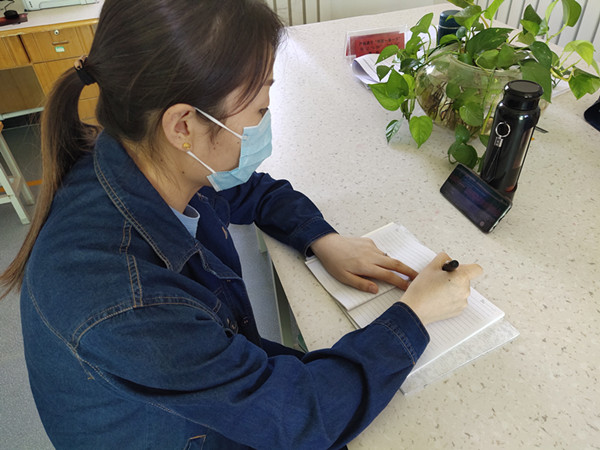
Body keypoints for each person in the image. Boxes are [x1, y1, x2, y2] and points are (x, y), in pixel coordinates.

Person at [0, 0, 482, 448]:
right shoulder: (126, 301)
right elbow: (297, 416)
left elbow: (251, 190)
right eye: (259, 110)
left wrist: (322, 238)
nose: (264, 124)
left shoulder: (145, 157)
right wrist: (414, 316)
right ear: (183, 126)